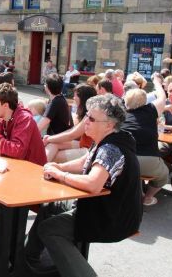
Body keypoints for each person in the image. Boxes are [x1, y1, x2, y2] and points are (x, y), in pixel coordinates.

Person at [25, 94, 142, 276]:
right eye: (87, 115)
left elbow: (93, 184)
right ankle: (25, 259)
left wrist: (61, 175)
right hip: (108, 209)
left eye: (91, 118)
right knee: (49, 206)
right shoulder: (111, 139)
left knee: (49, 229)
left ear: (109, 125)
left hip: (112, 218)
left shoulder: (110, 148)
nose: (85, 120)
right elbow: (85, 162)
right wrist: (59, 166)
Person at [122, 73, 169, 206]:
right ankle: (148, 197)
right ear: (145, 100)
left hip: (125, 162)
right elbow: (162, 97)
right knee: (165, 173)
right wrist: (157, 82)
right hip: (149, 161)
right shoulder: (151, 110)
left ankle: (134, 194)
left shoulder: (121, 115)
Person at [0, 83, 47, 165]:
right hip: (17, 165)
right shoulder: (1, 119)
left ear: (6, 105)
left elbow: (18, 150)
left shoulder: (24, 118)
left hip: (35, 170)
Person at [43, 84, 97, 163]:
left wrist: (48, 139)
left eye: (75, 96)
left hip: (89, 149)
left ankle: (40, 168)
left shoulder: (91, 114)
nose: (73, 98)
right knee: (52, 144)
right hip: (82, 144)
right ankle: (40, 166)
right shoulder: (87, 112)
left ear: (83, 98)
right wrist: (51, 139)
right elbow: (73, 130)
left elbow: (72, 135)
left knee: (55, 156)